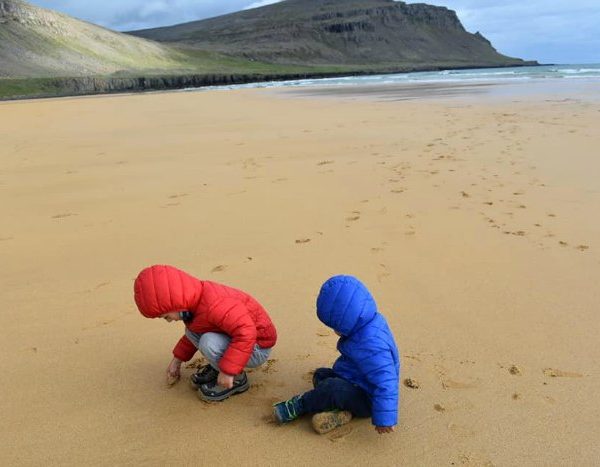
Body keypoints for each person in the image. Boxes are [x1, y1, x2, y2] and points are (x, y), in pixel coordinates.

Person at [273, 275, 399, 434]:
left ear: (347, 321)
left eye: (335, 327)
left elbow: (386, 380)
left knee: (332, 388)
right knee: (321, 375)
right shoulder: (366, 323)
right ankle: (339, 412)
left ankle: (299, 405)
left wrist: (385, 419)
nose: (334, 331)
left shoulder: (372, 344)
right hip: (356, 378)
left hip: (369, 398)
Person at [134, 264, 277, 401]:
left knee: (208, 342)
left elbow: (246, 332)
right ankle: (219, 367)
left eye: (166, 316)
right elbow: (194, 332)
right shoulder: (195, 303)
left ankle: (238, 379)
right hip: (239, 337)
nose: (169, 321)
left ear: (176, 303)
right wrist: (177, 361)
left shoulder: (215, 304)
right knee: (192, 332)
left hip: (257, 346)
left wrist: (228, 371)